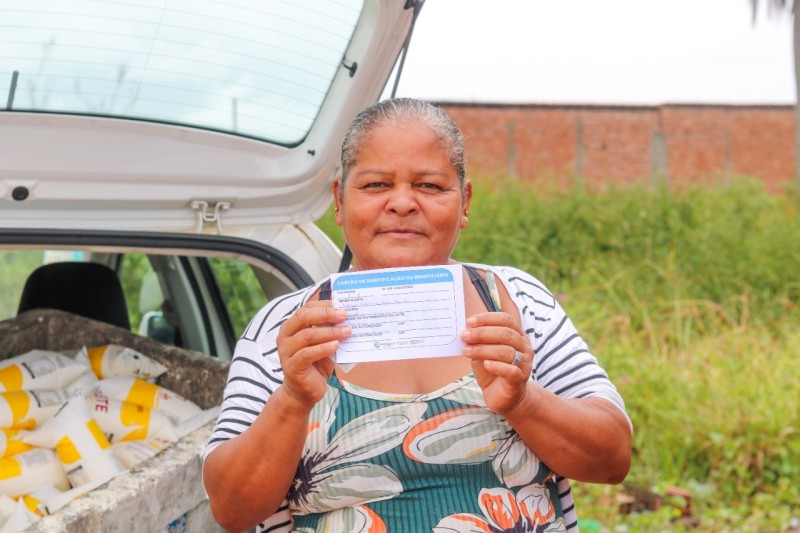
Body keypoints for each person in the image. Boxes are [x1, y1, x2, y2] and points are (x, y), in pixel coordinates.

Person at [203, 98, 632, 533]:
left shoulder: (516, 301)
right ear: (338, 200)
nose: (403, 203)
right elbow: (232, 511)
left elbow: (613, 459)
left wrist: (525, 401)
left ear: (464, 202)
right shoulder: (285, 329)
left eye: (429, 186)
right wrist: (292, 400)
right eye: (375, 185)